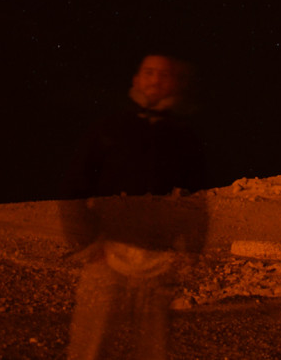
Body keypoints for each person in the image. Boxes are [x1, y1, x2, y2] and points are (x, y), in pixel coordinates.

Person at [62, 54, 208, 360]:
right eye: (149, 72)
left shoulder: (185, 138)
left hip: (158, 263)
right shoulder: (110, 127)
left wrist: (190, 251)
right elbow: (76, 184)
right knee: (90, 348)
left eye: (164, 74)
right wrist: (85, 243)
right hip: (107, 258)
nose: (155, 80)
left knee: (152, 350)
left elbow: (196, 199)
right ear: (136, 80)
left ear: (176, 83)